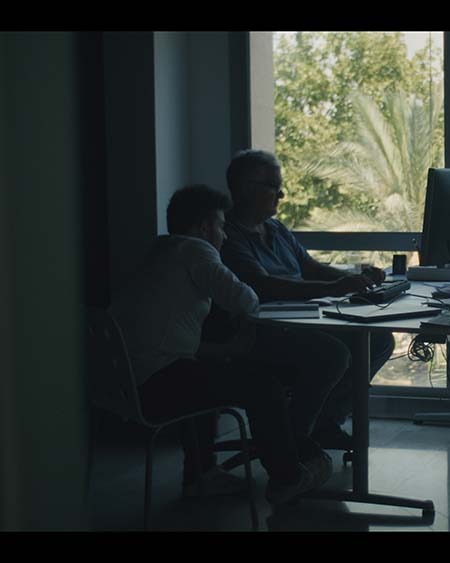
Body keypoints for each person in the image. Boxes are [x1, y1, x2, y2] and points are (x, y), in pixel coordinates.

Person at [110, 185, 333, 505]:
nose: (225, 236)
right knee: (263, 386)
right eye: (221, 226)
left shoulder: (160, 251)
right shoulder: (196, 250)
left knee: (211, 370)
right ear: (204, 227)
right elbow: (245, 298)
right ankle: (288, 477)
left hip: (125, 386)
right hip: (157, 386)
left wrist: (226, 350)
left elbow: (167, 339)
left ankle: (200, 474)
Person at [220, 150, 396, 450]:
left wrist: (355, 278)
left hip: (301, 319)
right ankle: (293, 440)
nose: (281, 194)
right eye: (274, 186)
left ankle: (325, 422)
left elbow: (311, 268)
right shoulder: (228, 235)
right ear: (246, 188)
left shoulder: (275, 228)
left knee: (379, 340)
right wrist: (336, 287)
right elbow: (264, 286)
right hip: (261, 330)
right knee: (333, 354)